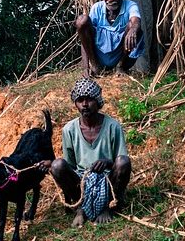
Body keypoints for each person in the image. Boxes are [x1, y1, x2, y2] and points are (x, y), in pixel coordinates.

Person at [49, 78, 132, 227]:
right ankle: (80, 208)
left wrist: (107, 162)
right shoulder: (69, 130)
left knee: (123, 162)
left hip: (107, 179)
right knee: (57, 165)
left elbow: (120, 161)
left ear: (98, 101)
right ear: (75, 104)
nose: (85, 104)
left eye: (89, 100)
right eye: (80, 100)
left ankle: (108, 206)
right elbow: (70, 166)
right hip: (82, 181)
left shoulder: (113, 126)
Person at [76, 0, 144, 77]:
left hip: (121, 56)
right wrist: (86, 68)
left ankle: (120, 67)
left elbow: (136, 20)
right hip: (99, 57)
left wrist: (133, 30)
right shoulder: (97, 8)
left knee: (134, 28)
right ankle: (96, 67)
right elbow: (85, 37)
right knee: (82, 21)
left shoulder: (130, 5)